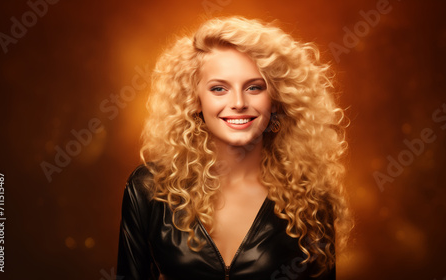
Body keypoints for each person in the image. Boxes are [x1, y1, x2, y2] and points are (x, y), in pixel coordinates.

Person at [117, 16, 352, 279]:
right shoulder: (149, 188)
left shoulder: (311, 199)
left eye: (254, 87)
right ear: (195, 100)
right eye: (219, 88)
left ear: (275, 99)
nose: (238, 102)